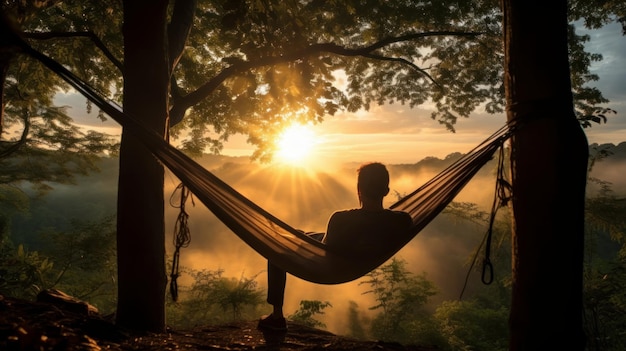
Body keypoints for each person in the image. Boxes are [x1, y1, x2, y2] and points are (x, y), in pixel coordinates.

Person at [257, 162, 413, 332]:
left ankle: (277, 316)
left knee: (277, 247)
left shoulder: (340, 219)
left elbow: (323, 252)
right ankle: (296, 234)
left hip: (333, 261)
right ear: (386, 191)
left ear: (359, 189)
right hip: (358, 254)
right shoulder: (402, 221)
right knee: (301, 234)